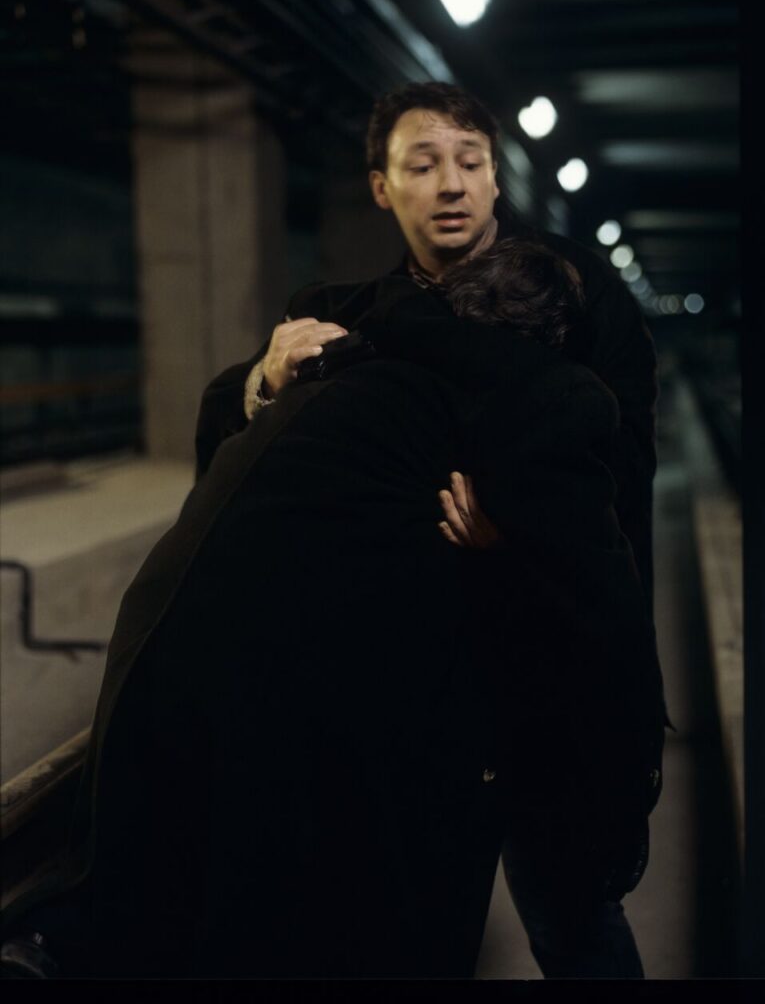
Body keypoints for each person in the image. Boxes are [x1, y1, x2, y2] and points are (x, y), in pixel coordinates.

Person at [0, 238, 665, 978]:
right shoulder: (541, 392)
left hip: (157, 654)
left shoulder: (353, 353)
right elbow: (603, 606)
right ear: (558, 339)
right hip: (285, 697)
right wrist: (628, 796)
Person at [192, 83, 665, 977]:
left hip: (542, 667)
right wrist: (264, 377)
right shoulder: (348, 314)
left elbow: (626, 467)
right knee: (402, 921)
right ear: (381, 188)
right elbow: (240, 460)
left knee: (570, 911)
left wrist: (527, 526)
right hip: (404, 686)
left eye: (469, 162)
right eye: (422, 164)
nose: (449, 183)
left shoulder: (571, 297)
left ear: (495, 183)